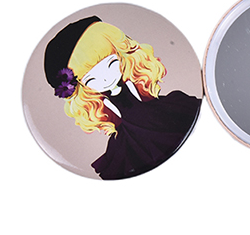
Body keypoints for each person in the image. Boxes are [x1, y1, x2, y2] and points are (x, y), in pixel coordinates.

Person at [44, 16, 201, 178]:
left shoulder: (134, 84)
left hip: (158, 115)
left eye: (111, 64)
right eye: (91, 79)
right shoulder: (104, 103)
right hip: (131, 135)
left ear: (122, 55)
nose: (106, 78)